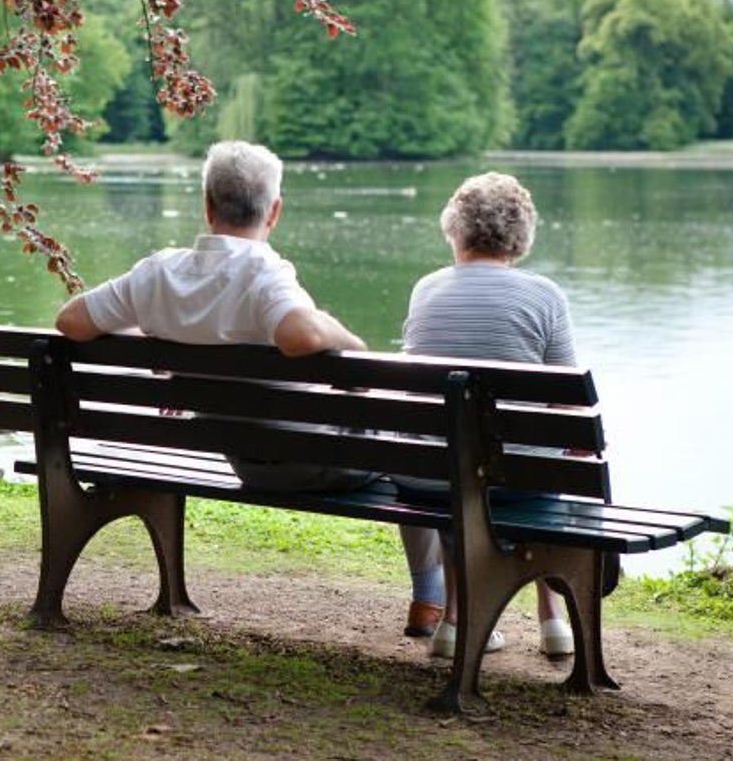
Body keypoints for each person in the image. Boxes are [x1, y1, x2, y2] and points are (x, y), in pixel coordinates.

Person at [55, 140, 369, 494]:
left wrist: (162, 334)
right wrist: (354, 345)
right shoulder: (264, 273)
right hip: (317, 461)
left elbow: (71, 320)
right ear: (274, 211)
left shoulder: (159, 273)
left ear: (208, 207)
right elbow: (302, 336)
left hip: (245, 463)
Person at [401, 171, 576, 659]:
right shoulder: (545, 296)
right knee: (545, 453)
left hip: (434, 479)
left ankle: (454, 622)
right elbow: (567, 404)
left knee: (453, 462)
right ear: (520, 238)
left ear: (455, 229)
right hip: (517, 480)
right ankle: (552, 620)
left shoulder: (426, 289)